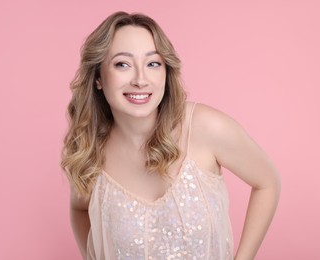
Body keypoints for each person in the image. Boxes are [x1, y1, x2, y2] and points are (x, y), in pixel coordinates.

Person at [61, 11, 281, 260]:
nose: (140, 80)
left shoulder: (204, 127)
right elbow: (79, 209)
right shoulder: (90, 151)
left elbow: (268, 182)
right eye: (123, 64)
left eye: (153, 63)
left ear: (166, 71)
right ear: (98, 77)